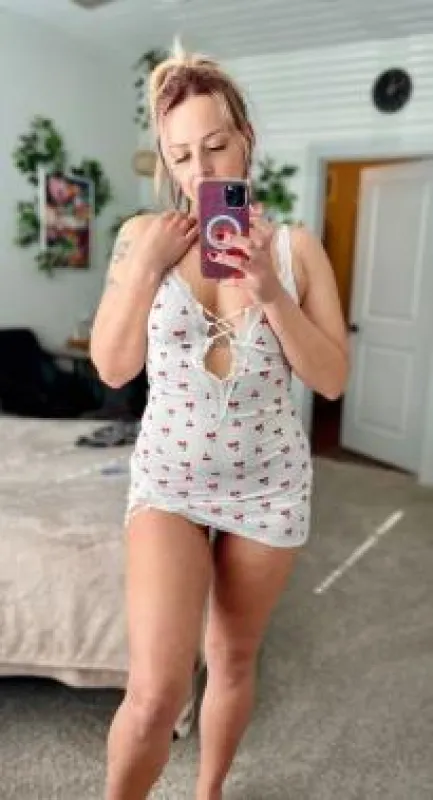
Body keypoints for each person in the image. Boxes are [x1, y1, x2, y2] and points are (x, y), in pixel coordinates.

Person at [90, 50, 349, 800]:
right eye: (180, 156)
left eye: (215, 146)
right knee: (153, 695)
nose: (200, 171)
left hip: (268, 486)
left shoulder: (295, 250)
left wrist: (269, 290)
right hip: (168, 483)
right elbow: (112, 368)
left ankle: (208, 794)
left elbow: (330, 378)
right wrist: (146, 268)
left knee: (233, 657)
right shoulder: (141, 236)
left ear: (245, 139)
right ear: (165, 161)